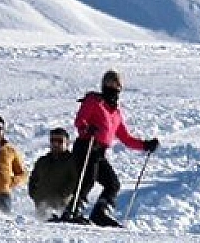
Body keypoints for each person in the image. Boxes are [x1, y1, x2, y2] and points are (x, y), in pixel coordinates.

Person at [71, 69, 160, 227]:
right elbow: (80, 120)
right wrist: (87, 129)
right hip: (86, 145)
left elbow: (126, 138)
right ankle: (72, 211)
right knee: (88, 179)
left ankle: (100, 212)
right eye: (109, 83)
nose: (113, 86)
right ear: (103, 84)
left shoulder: (115, 113)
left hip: (99, 152)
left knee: (113, 183)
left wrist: (145, 145)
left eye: (117, 84)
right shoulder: (93, 101)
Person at [27, 126, 82, 221]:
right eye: (53, 140)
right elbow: (33, 179)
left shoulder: (72, 161)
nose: (56, 144)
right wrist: (34, 194)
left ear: (67, 143)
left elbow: (75, 180)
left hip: (62, 208)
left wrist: (62, 195)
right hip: (41, 206)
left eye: (60, 141)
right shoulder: (42, 161)